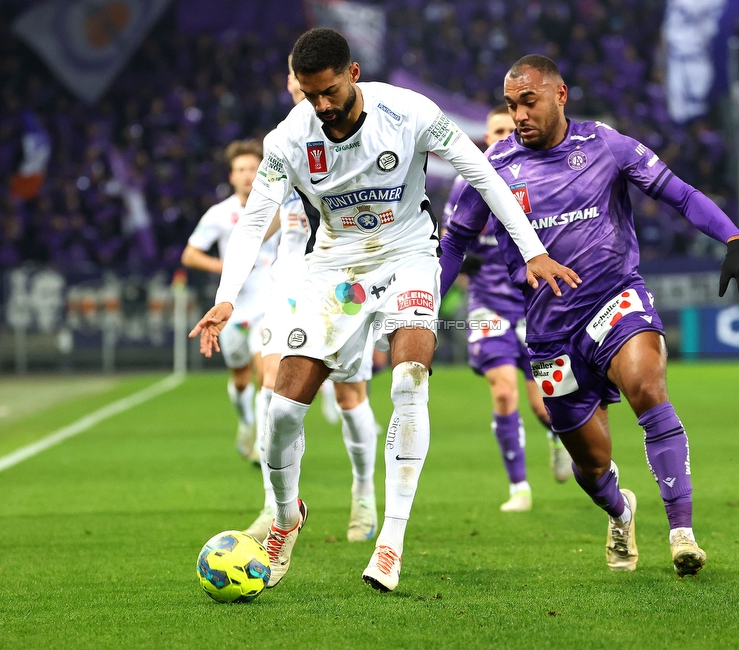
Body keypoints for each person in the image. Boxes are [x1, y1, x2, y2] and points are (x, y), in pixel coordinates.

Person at [190, 30, 578, 593]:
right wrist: (227, 295)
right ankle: (284, 517)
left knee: (409, 381)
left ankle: (390, 539)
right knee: (281, 415)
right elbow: (254, 221)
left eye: (328, 92)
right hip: (335, 271)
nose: (321, 106)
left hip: (409, 256)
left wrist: (533, 250)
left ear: (352, 73)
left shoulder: (410, 111)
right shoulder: (288, 139)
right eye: (309, 94)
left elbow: (482, 173)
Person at [439, 55, 739, 577]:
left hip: (613, 300)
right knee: (592, 465)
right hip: (549, 331)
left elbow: (679, 194)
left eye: (529, 101)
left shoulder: (605, 146)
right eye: (511, 105)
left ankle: (682, 531)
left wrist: (734, 238)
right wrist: (426, 310)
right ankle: (620, 511)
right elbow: (454, 242)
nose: (520, 114)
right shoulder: (492, 169)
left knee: (647, 388)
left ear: (560, 94)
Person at [244, 60, 381, 545]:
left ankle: (363, 492)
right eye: (297, 81)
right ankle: (276, 504)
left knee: (349, 396)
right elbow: (272, 214)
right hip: (289, 281)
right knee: (272, 387)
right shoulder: (284, 141)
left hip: (343, 282)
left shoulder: (363, 132)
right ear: (292, 84)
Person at [442, 105, 572, 514]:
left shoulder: (536, 178)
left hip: (533, 303)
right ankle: (519, 488)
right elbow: (448, 243)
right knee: (503, 390)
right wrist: (464, 263)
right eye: (495, 130)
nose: (501, 136)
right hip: (486, 304)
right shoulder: (467, 182)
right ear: (485, 137)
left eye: (507, 129)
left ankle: (556, 438)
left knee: (543, 403)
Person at [181, 140, 279, 463]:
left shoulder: (278, 206)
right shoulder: (220, 214)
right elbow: (190, 254)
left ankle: (263, 450)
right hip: (233, 307)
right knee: (240, 380)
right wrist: (223, 266)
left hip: (269, 303)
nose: (248, 175)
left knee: (268, 373)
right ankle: (246, 423)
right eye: (241, 169)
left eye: (253, 168)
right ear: (231, 175)